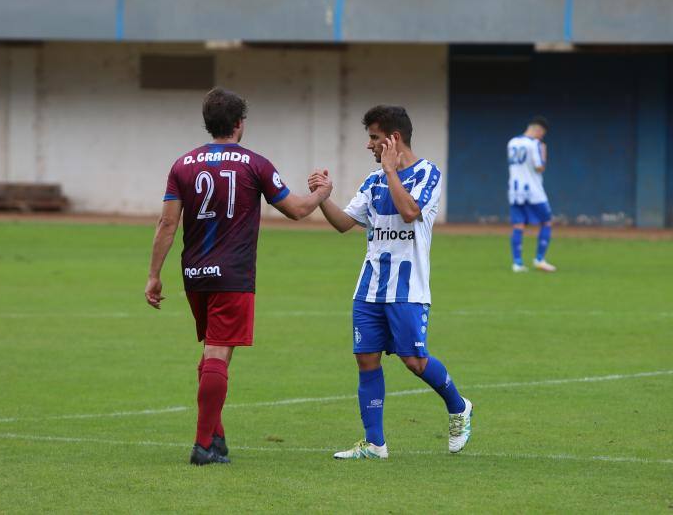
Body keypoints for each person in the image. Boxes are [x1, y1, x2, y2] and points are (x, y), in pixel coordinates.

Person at [145, 87, 331, 466]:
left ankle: (217, 438)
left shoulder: (182, 165)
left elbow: (167, 223)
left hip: (195, 274)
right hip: (233, 275)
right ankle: (202, 446)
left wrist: (154, 275)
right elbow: (296, 210)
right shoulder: (254, 164)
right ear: (239, 124)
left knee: (212, 354)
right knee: (218, 353)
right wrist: (322, 194)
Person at [308, 105, 472, 460]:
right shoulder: (372, 182)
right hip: (369, 288)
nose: (368, 145)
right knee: (366, 359)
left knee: (414, 361)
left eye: (374, 138)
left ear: (393, 139)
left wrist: (391, 171)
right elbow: (343, 223)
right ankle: (374, 443)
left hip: (408, 289)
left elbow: (410, 212)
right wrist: (323, 197)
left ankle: (459, 407)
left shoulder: (428, 173)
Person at [507, 116, 556, 272]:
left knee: (518, 225)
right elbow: (539, 167)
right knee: (547, 221)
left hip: (515, 190)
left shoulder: (512, 142)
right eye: (542, 134)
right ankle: (539, 259)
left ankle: (517, 263)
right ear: (538, 130)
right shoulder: (534, 144)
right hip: (533, 191)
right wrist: (544, 152)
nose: (541, 137)